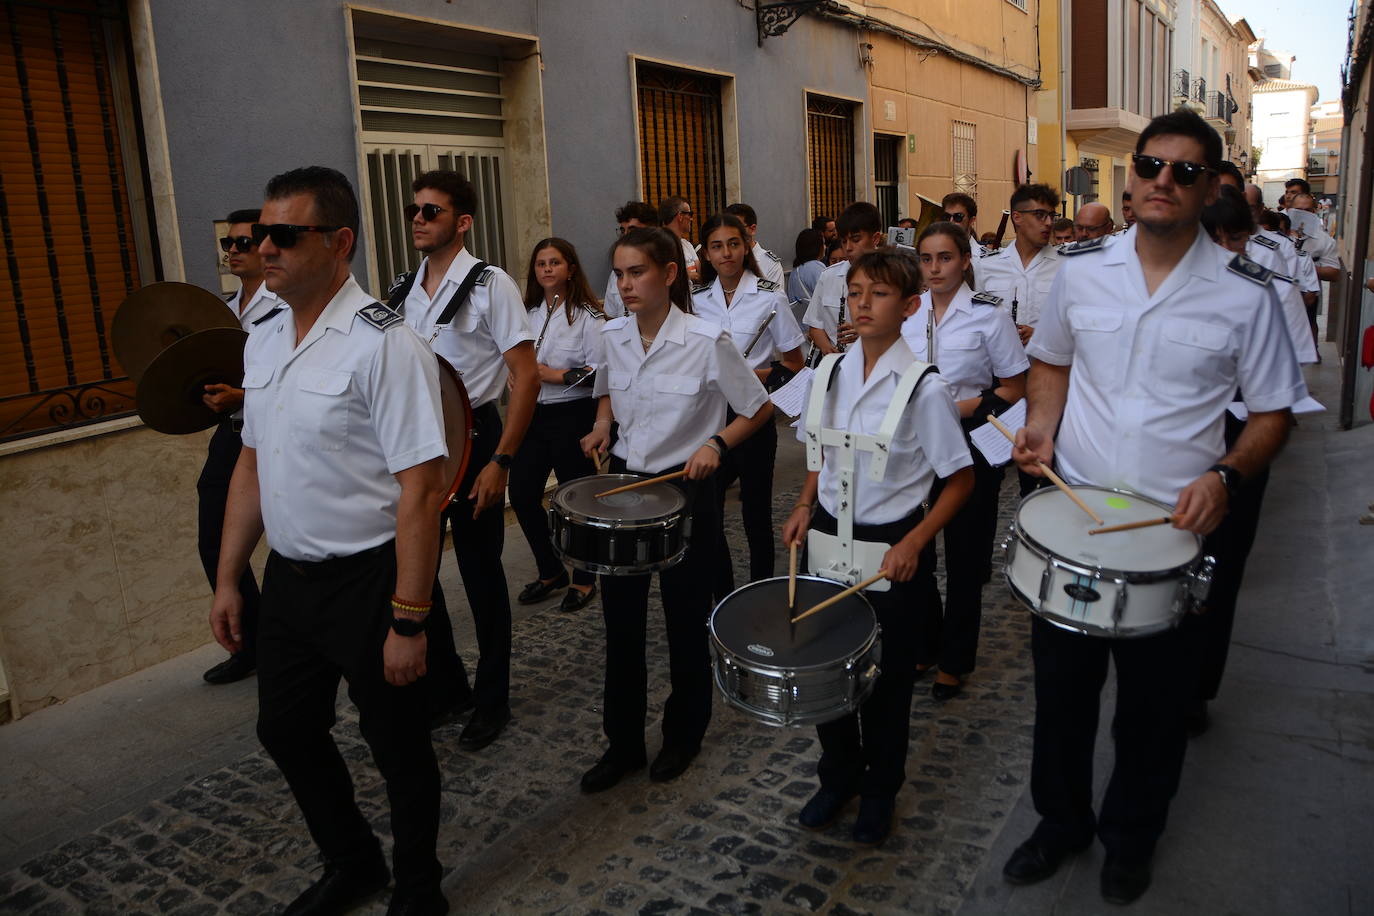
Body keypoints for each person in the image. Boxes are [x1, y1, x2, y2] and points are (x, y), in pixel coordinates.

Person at [1004, 110, 1304, 905]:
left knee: (1153, 708)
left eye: (1183, 171)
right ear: (1130, 177)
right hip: (1075, 520)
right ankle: (1060, 823)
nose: (1161, 181)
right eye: (1149, 166)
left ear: (1209, 189)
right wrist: (1039, 427)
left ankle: (1131, 837)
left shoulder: (1248, 296)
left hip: (1174, 532)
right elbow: (1051, 363)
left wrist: (1228, 479)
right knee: (1062, 697)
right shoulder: (1082, 269)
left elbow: (1273, 413)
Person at [210, 165, 450, 915]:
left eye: (285, 234)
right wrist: (227, 577)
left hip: (372, 580)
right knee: (284, 728)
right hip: (290, 581)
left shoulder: (385, 343)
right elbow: (250, 460)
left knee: (398, 745)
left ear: (339, 242)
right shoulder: (263, 337)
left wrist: (409, 620)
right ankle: (353, 861)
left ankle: (419, 888)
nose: (263, 248)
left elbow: (422, 489)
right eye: (257, 235)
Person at [782, 249, 974, 846]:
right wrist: (802, 503)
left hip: (892, 547)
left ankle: (880, 790)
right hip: (827, 539)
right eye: (856, 291)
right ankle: (838, 776)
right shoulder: (828, 372)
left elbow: (959, 478)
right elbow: (821, 450)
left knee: (885, 684)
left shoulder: (926, 390)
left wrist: (916, 540)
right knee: (826, 672)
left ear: (910, 306)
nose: (862, 303)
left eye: (879, 294)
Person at [578, 227, 773, 793]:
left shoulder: (707, 339)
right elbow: (610, 389)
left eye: (636, 272)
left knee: (686, 620)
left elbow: (756, 409)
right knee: (622, 624)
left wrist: (716, 445)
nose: (625, 284)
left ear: (668, 273)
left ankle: (684, 733)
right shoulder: (613, 336)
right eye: (618, 273)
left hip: (689, 494)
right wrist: (601, 424)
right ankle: (623, 744)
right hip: (626, 490)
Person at [387, 170, 538, 752]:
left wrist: (501, 460)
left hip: (476, 439)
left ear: (462, 221)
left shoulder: (489, 284)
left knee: (481, 576)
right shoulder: (401, 290)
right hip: (420, 446)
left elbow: (524, 378)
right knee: (420, 570)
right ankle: (448, 690)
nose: (419, 219)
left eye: (432, 211)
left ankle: (492, 699)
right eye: (414, 210)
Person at [903, 221, 1028, 701]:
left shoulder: (988, 315)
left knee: (964, 554)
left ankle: (955, 659)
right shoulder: (908, 313)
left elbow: (1013, 387)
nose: (935, 268)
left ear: (965, 261)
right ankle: (927, 641)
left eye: (946, 258)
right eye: (927, 259)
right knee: (914, 547)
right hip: (915, 447)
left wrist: (955, 408)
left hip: (971, 444)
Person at [692, 213, 806, 600]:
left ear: (745, 247)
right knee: (708, 513)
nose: (726, 253)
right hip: (708, 417)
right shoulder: (693, 303)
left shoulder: (770, 297)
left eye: (733, 244)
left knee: (755, 514)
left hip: (754, 416)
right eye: (717, 246)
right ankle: (722, 594)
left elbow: (794, 362)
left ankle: (760, 593)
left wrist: (746, 374)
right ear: (705, 253)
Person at [199, 209, 281, 686]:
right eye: (227, 244)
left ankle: (283, 644)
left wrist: (243, 397)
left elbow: (296, 379)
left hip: (275, 436)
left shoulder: (286, 304)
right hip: (230, 436)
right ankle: (249, 641)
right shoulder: (222, 312)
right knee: (213, 537)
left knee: (288, 547)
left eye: (242, 244)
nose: (232, 252)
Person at [509, 238, 604, 613]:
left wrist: (553, 374)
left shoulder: (588, 316)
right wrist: (514, 375)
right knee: (521, 494)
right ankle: (550, 568)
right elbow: (514, 355)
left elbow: (600, 372)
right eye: (540, 264)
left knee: (576, 501)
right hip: (532, 416)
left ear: (570, 268)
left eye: (554, 263)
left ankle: (584, 577)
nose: (547, 269)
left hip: (572, 414)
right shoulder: (526, 312)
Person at [973, 183, 1063, 348]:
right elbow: (974, 320)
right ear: (1017, 217)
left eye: (1052, 215)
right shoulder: (986, 266)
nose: (1049, 222)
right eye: (1040, 215)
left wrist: (1040, 334)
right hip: (999, 368)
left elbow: (1077, 324)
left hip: (1047, 366)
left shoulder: (1065, 267)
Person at [803, 202, 885, 357]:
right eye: (844, 241)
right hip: (839, 363)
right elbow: (815, 325)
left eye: (855, 239)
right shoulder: (828, 276)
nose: (848, 247)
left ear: (875, 239)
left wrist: (867, 332)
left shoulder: (893, 275)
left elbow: (909, 329)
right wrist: (828, 350)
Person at [603, 201, 661, 318]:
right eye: (622, 231)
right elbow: (610, 317)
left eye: (632, 230)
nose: (625, 236)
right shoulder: (615, 275)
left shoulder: (664, 269)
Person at [724, 202, 785, 288]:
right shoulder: (723, 260)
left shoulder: (770, 264)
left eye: (738, 228)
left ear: (752, 229)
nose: (731, 234)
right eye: (727, 229)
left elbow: (776, 299)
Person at [787, 227, 827, 328]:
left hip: (800, 329)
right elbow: (828, 298)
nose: (825, 247)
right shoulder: (816, 267)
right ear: (817, 247)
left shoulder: (795, 270)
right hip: (817, 329)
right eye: (823, 243)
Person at [658, 196, 701, 284]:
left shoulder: (687, 244)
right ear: (680, 216)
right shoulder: (659, 245)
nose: (691, 219)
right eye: (690, 214)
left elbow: (700, 274)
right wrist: (688, 275)